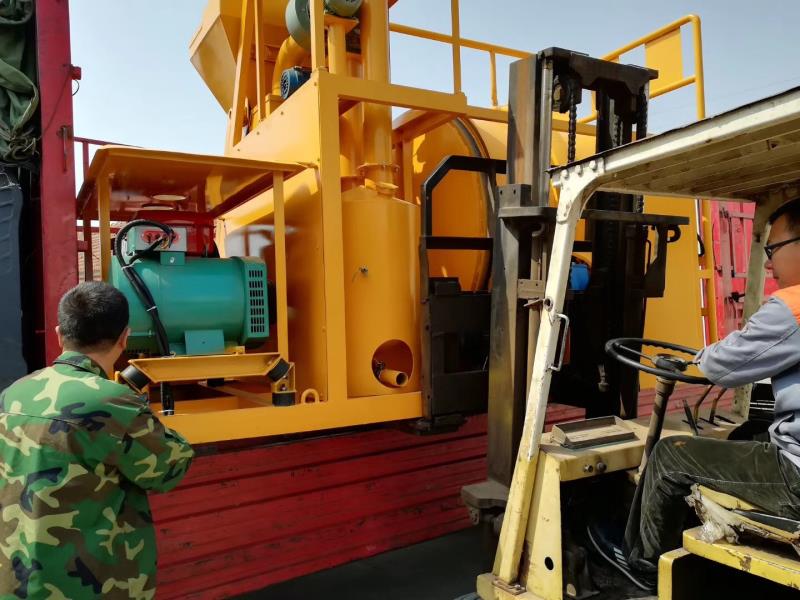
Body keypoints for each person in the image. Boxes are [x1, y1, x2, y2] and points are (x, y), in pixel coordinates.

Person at [589, 198, 800, 592]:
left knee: (670, 456)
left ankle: (642, 563)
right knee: (745, 434)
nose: (769, 263)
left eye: (772, 249)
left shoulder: (792, 308)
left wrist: (696, 359)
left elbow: (723, 365)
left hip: (796, 476)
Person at [0, 282, 194, 599]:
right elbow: (171, 468)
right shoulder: (114, 403)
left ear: (60, 334)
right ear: (125, 338)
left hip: (15, 583)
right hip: (84, 589)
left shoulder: (14, 393)